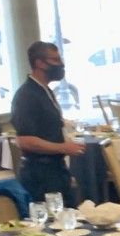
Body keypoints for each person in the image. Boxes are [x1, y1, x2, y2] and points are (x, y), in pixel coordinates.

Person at [10, 40, 82, 204]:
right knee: (52, 225)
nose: (61, 64)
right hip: (40, 174)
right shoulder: (26, 95)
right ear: (39, 63)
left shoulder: (45, 90)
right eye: (55, 60)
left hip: (55, 169)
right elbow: (24, 141)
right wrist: (62, 147)